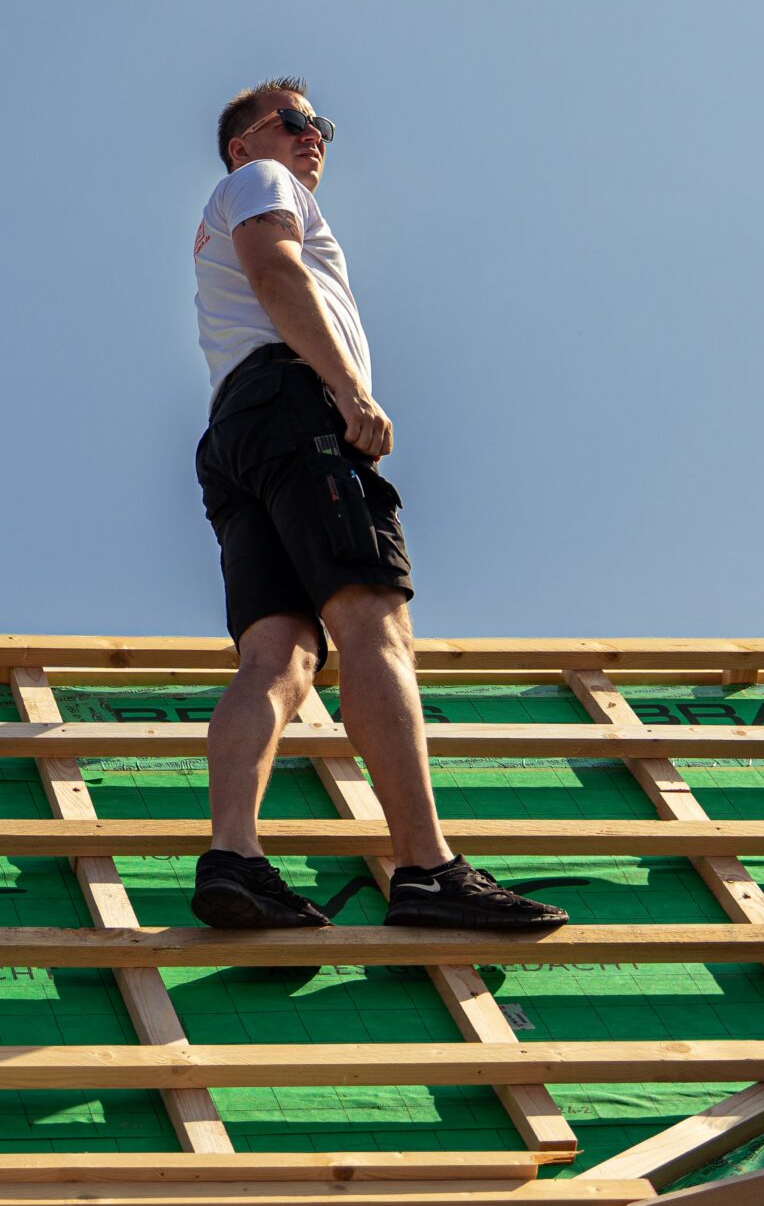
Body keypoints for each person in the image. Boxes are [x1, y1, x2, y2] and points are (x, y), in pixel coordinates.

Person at [188, 78, 567, 932]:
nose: (312, 134)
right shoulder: (258, 183)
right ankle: (429, 868)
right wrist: (349, 390)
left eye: (319, 123)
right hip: (293, 408)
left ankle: (235, 857)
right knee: (372, 624)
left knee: (278, 656)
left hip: (237, 433)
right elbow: (275, 268)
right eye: (291, 122)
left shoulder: (236, 198)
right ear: (244, 144)